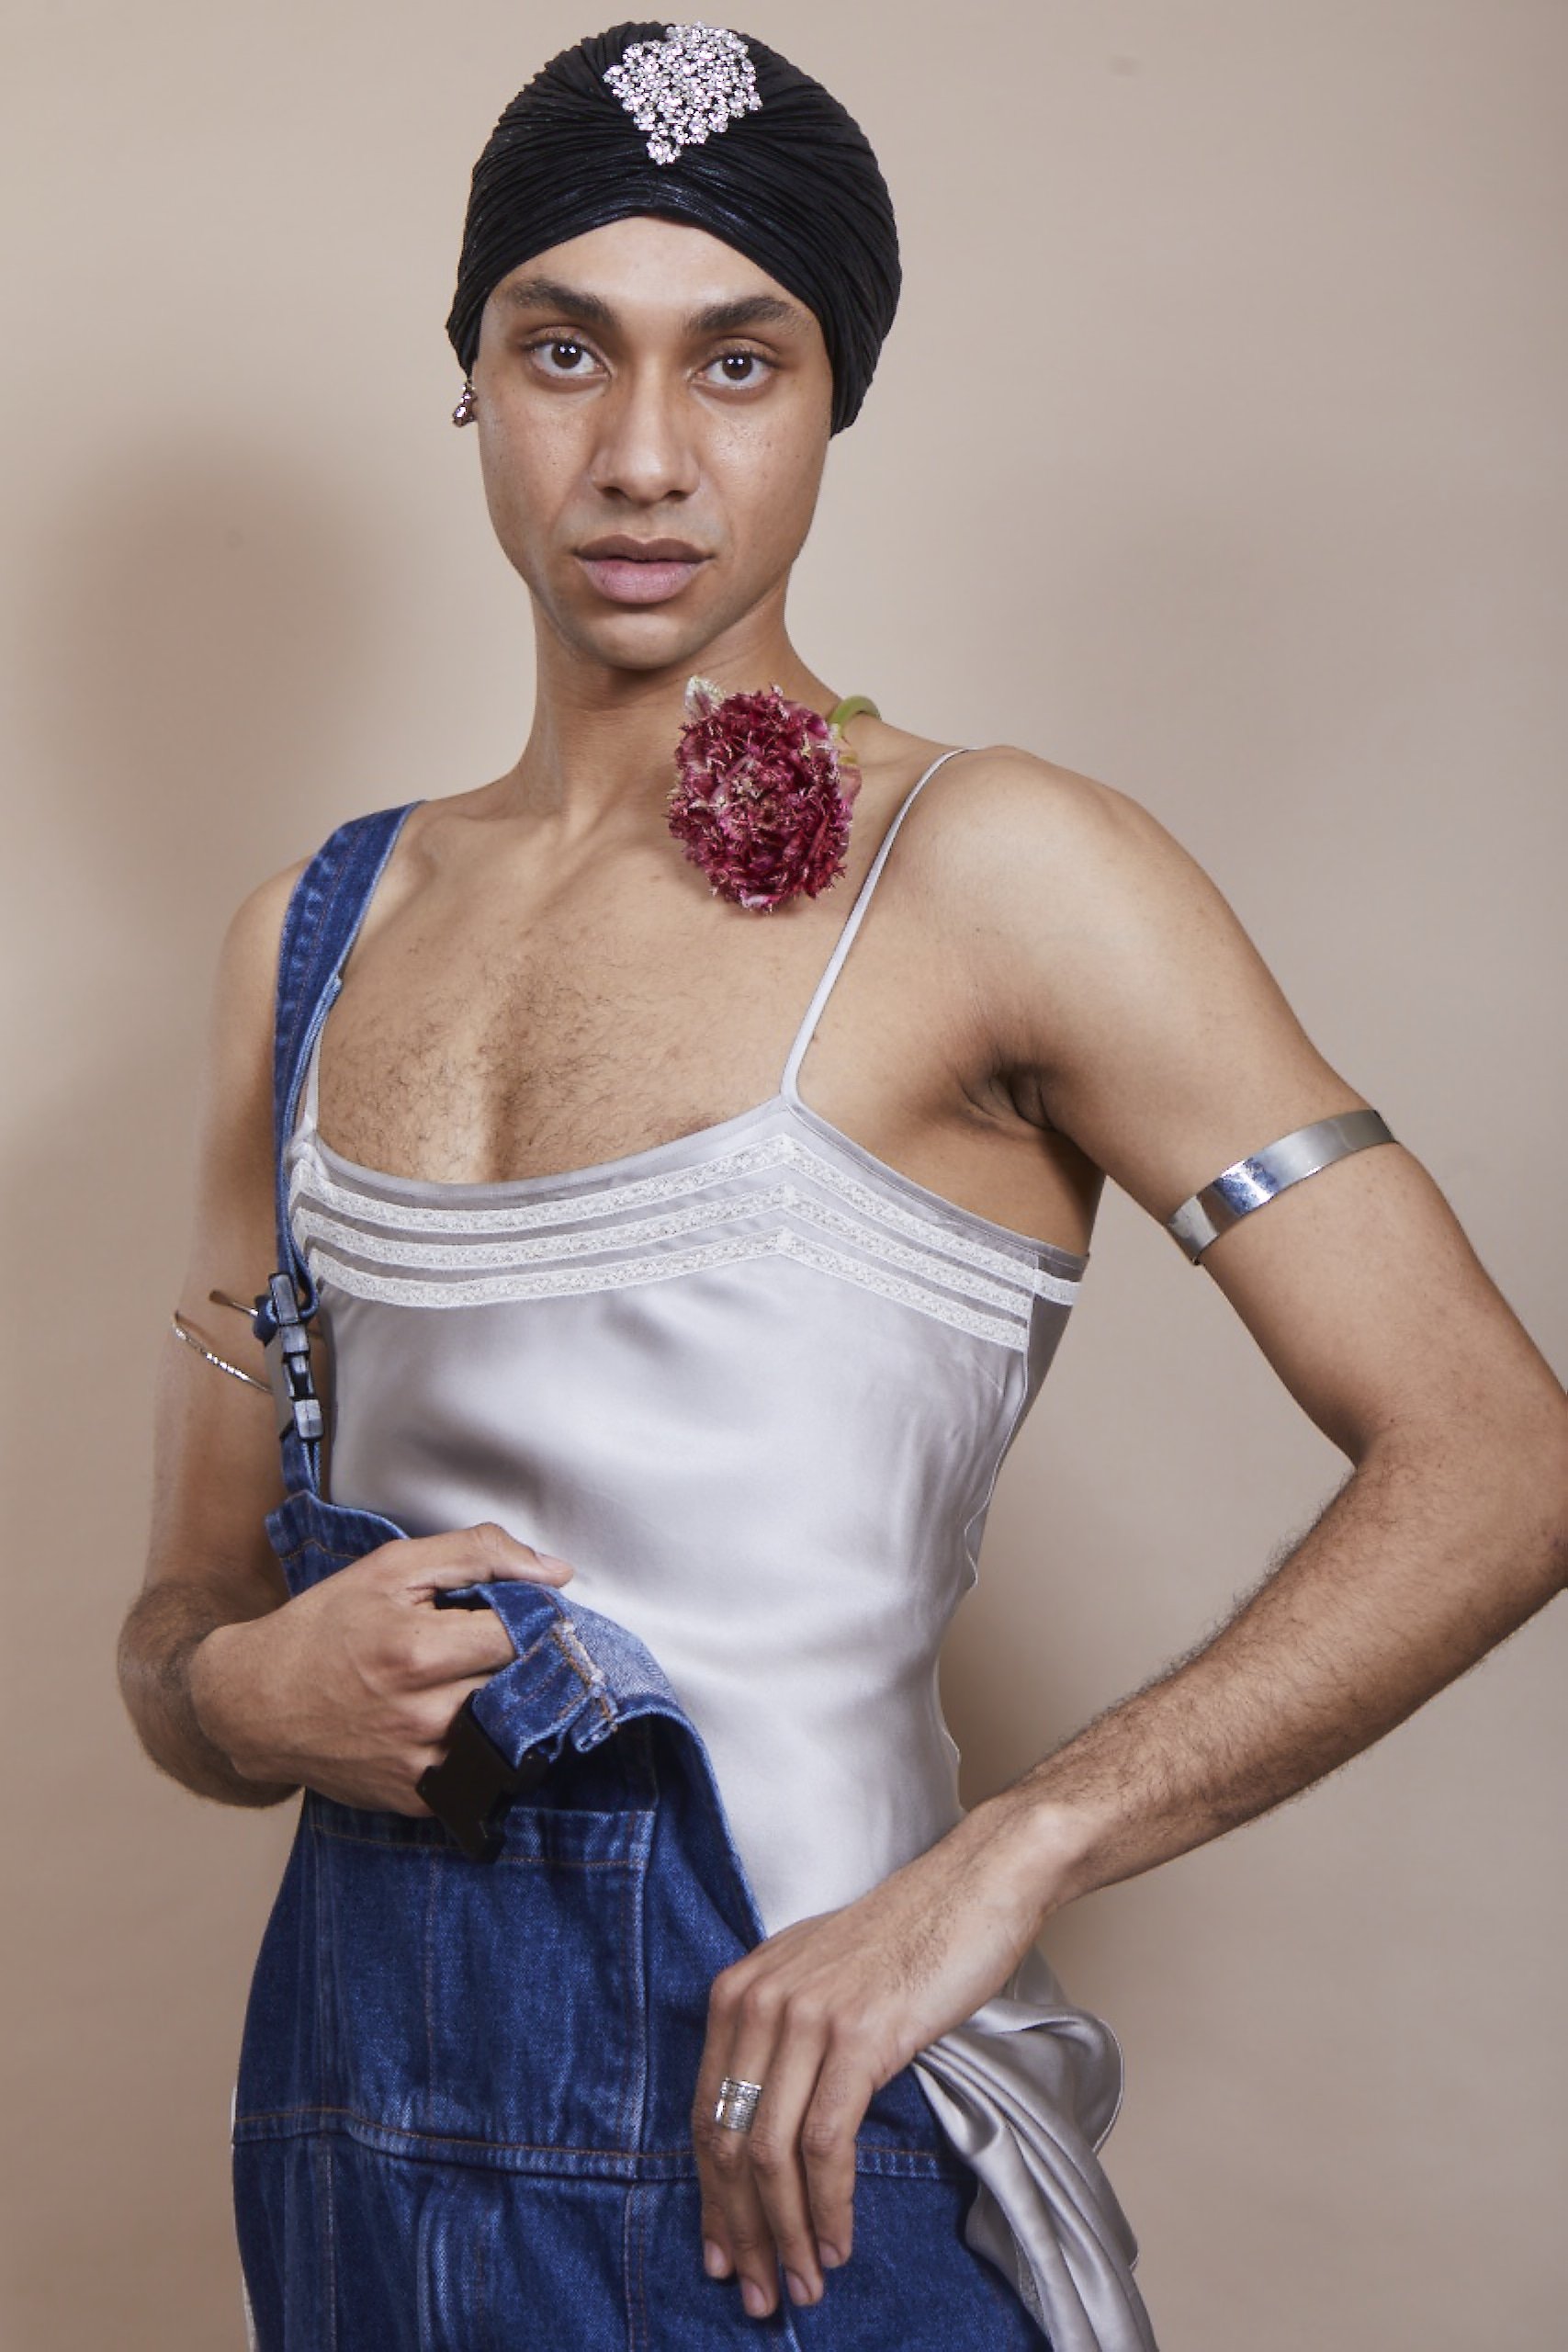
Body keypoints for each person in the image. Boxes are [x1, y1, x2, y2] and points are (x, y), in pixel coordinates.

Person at [116, 19, 1568, 2350]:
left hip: (786, 2137)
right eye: (564, 350)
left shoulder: (1003, 868)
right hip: (355, 2134)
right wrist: (235, 1691)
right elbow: (177, 1623)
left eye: (738, 361)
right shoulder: (309, 931)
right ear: (469, 378)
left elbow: (1499, 1454)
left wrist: (1005, 1858)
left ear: (831, 397)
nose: (642, 454)